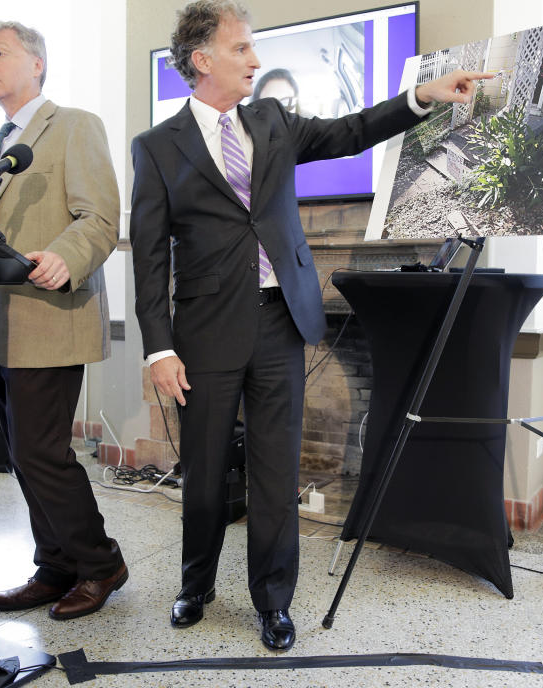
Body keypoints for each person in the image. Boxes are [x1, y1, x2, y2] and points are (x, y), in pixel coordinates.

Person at [130, 0, 491, 651]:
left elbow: (349, 131)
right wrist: (158, 347)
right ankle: (196, 583)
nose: (256, 60)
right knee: (205, 473)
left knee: (274, 474)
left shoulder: (270, 119)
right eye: (242, 48)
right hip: (205, 334)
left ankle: (273, 602)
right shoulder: (156, 148)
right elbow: (150, 256)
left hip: (279, 323)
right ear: (203, 58)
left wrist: (421, 97)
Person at [0, 20, 127, 621]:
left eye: (0, 53)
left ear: (37, 64)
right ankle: (55, 563)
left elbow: (100, 217)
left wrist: (65, 256)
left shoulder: (74, 126)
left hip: (49, 315)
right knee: (20, 451)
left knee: (41, 451)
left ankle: (101, 563)